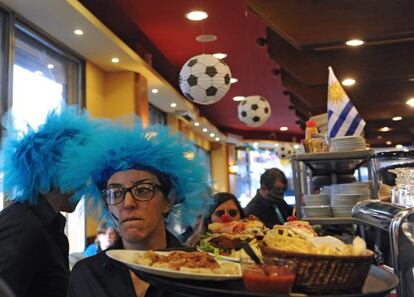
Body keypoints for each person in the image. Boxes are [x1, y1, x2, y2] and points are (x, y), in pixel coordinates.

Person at [61, 119, 211, 297]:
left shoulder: (202, 272)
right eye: (115, 193)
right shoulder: (86, 275)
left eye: (143, 190)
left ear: (167, 201)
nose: (128, 203)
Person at [0, 106, 106, 297]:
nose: (86, 182)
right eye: (82, 171)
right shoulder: (24, 228)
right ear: (60, 172)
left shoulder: (43, 224)